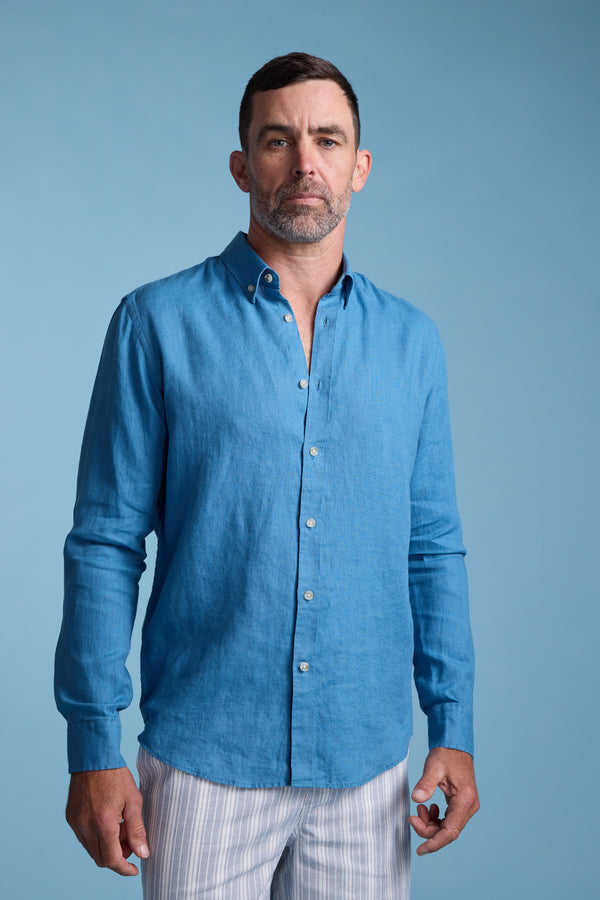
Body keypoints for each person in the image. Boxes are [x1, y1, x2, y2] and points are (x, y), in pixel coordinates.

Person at [55, 51, 479, 899]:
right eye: (278, 139)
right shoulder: (156, 323)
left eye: (328, 139)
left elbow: (431, 548)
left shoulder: (412, 344)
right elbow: (105, 542)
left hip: (366, 772)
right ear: (243, 164)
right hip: (205, 763)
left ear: (360, 166)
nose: (305, 161)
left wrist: (453, 726)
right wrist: (94, 747)